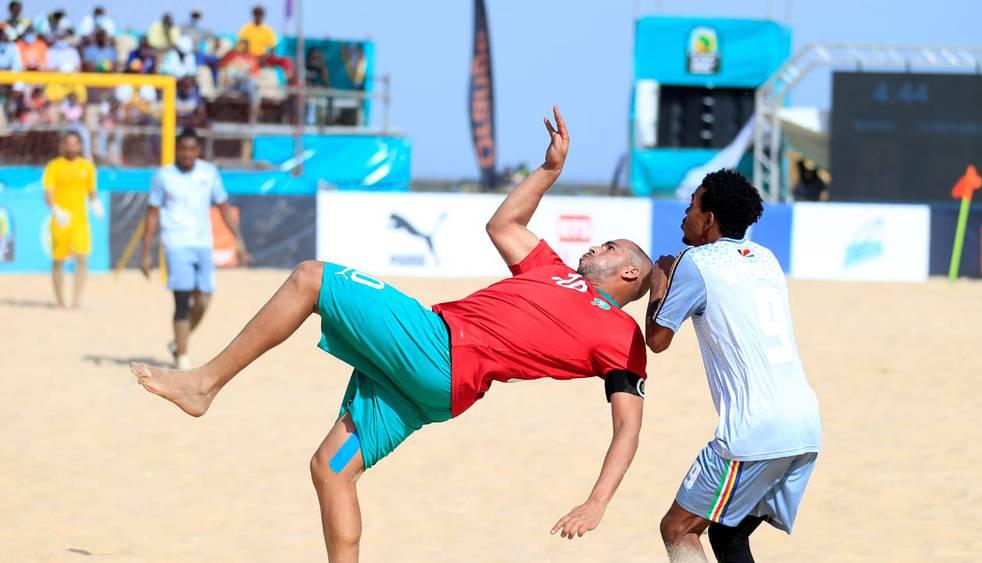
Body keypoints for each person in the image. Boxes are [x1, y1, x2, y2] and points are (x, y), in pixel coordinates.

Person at [130, 107, 653, 562]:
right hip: (437, 390)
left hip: (439, 348)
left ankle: (203, 385)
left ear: (629, 274)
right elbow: (503, 225)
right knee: (331, 470)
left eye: (608, 247)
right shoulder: (553, 270)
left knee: (311, 277)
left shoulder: (619, 334)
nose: (595, 248)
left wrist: (598, 500)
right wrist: (548, 170)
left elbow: (627, 427)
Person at [645, 169, 821, 562]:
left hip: (753, 431)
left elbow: (657, 341)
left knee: (677, 528)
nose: (683, 216)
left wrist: (659, 284)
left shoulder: (696, 262)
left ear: (709, 220)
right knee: (726, 533)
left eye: (691, 208)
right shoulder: (767, 258)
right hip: (805, 425)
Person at [139, 129, 249, 369]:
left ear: (198, 150)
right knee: (181, 299)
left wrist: (238, 239)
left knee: (204, 300)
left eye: (192, 149)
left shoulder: (208, 173)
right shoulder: (164, 176)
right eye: (183, 149)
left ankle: (180, 341)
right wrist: (146, 252)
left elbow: (223, 206)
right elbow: (152, 214)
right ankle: (182, 356)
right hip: (176, 243)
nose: (187, 153)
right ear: (177, 150)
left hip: (202, 243)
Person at [42, 131, 103, 308]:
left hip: (80, 221)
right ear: (62, 146)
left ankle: (77, 301)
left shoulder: (87, 167)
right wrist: (56, 209)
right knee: (58, 260)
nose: (71, 147)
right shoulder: (53, 166)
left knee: (82, 258)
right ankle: (60, 301)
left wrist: (96, 203)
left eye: (74, 143)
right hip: (60, 221)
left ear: (80, 146)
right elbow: (48, 193)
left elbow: (92, 190)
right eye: (68, 143)